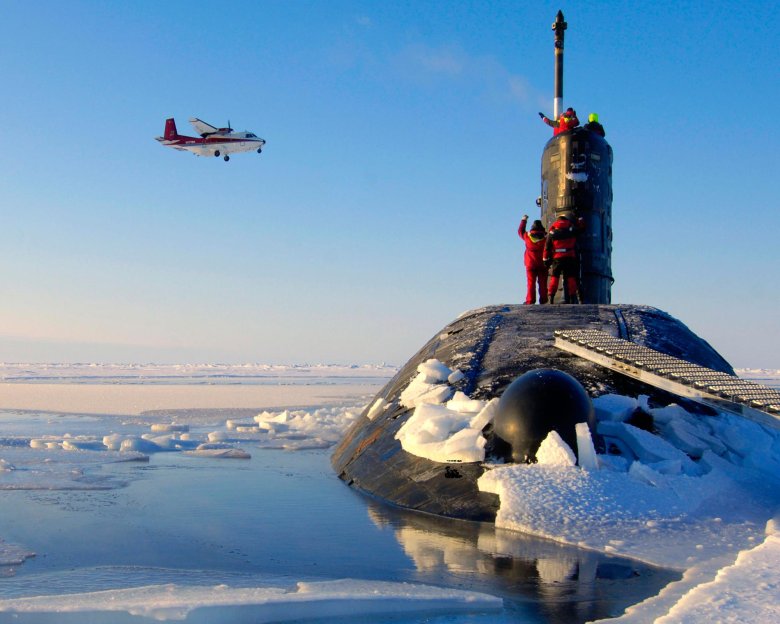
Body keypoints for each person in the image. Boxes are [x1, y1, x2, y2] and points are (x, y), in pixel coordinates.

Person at [543, 212, 585, 304]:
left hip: (557, 258)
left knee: (554, 278)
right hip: (569, 258)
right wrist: (580, 219)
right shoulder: (571, 229)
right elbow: (582, 229)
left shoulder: (552, 232)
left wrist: (545, 259)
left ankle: (551, 298)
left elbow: (547, 247)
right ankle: (572, 298)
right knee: (571, 278)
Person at [519, 215, 548, 305]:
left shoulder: (527, 237)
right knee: (543, 283)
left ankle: (530, 300)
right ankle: (543, 300)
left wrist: (524, 220)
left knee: (531, 283)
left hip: (530, 264)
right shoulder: (546, 238)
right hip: (542, 264)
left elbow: (520, 231)